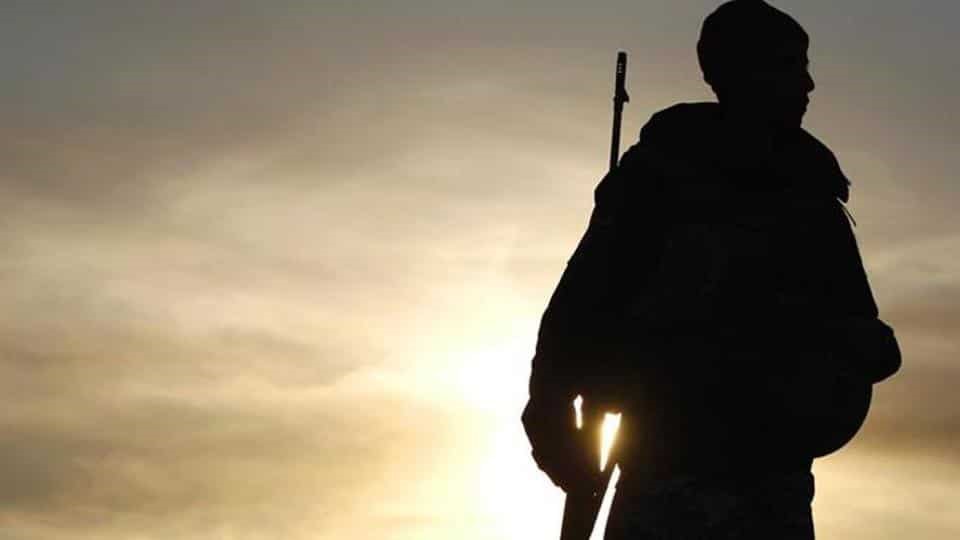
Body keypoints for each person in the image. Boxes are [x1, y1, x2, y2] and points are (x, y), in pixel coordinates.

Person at [520, 1, 902, 538]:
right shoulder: (658, 182)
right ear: (744, 71)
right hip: (668, 474)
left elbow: (868, 337)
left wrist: (828, 349)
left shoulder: (808, 194)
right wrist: (552, 408)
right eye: (791, 66)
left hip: (767, 482)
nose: (808, 84)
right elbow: (580, 308)